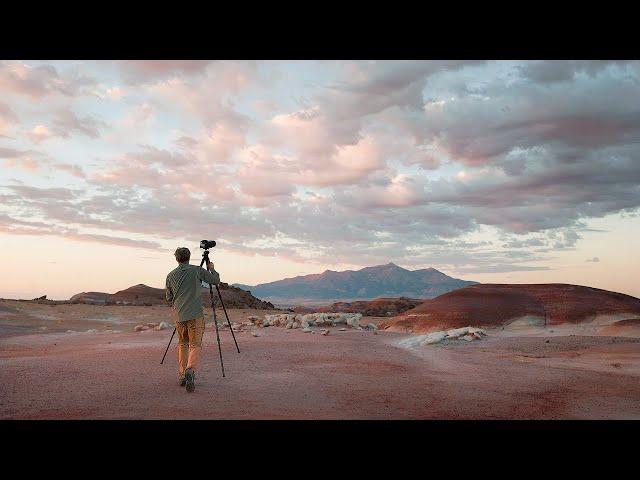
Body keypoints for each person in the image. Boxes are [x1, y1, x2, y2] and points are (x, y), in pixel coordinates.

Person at [165, 247, 220, 392]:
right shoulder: (197, 270)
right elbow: (215, 281)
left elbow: (169, 298)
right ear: (189, 257)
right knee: (195, 344)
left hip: (179, 316)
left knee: (183, 344)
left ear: (176, 259)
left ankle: (182, 376)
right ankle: (190, 370)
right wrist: (211, 269)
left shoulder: (170, 275)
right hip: (195, 314)